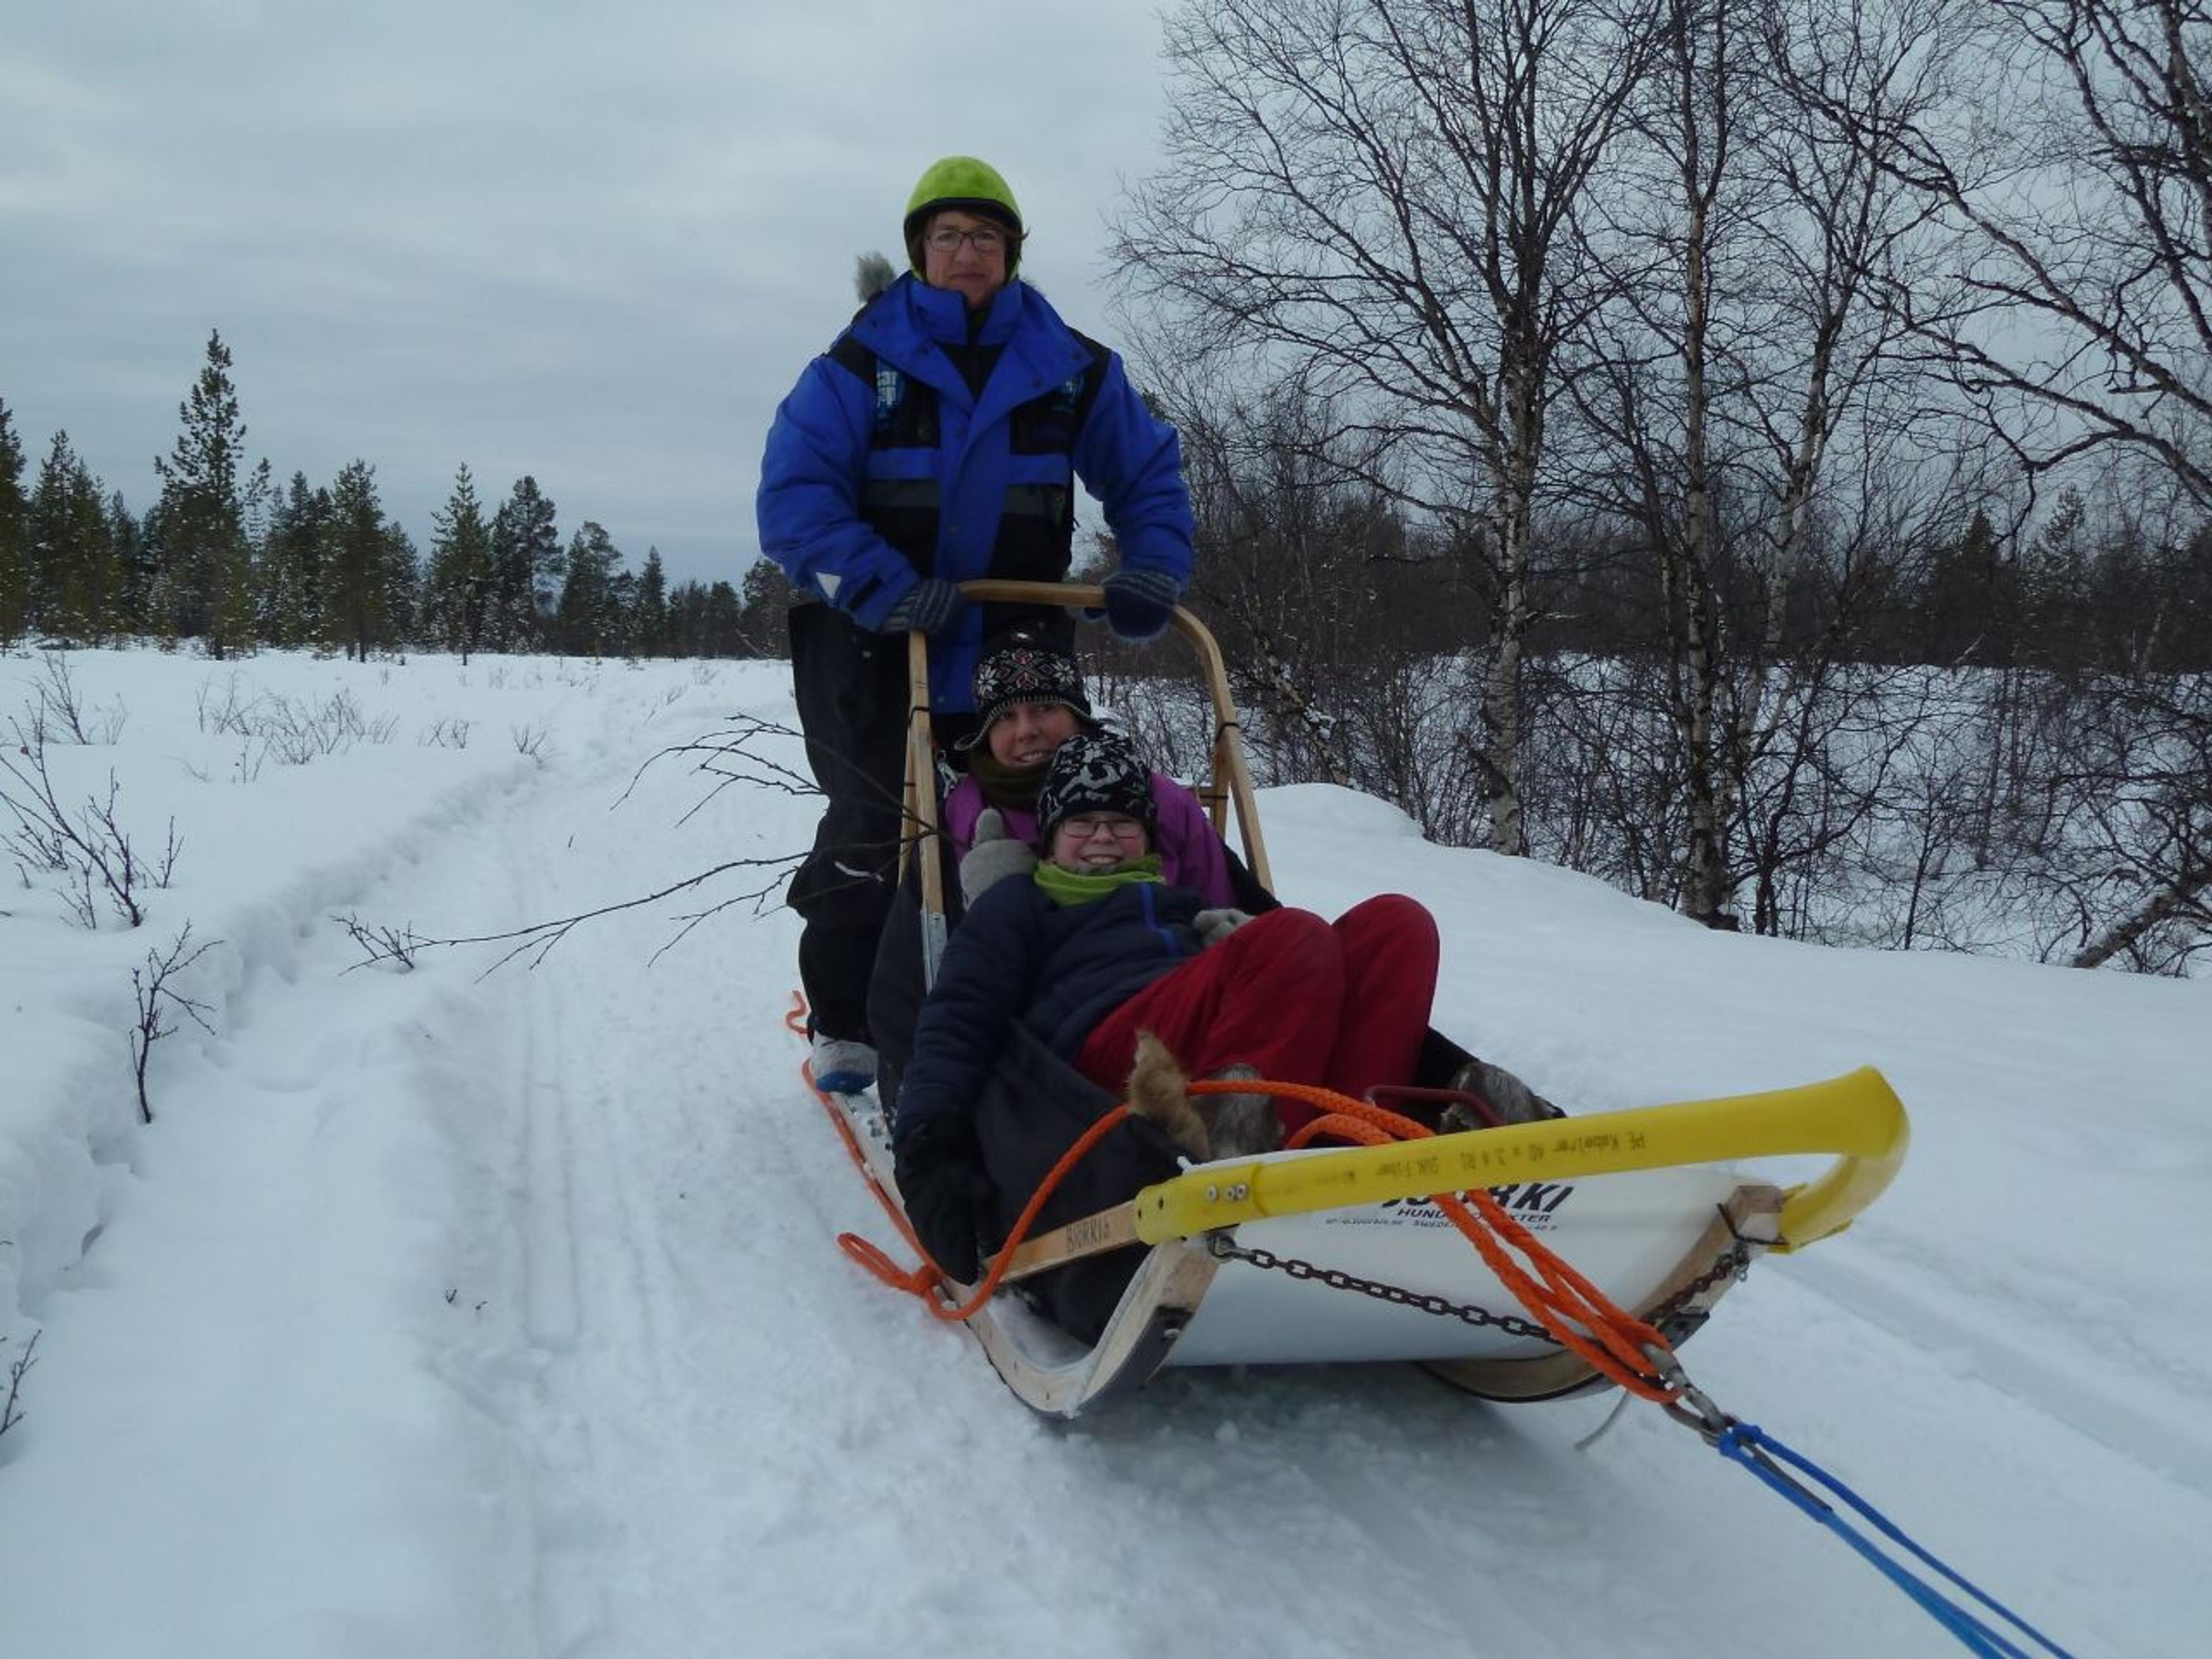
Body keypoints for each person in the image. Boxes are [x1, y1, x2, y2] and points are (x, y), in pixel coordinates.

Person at [758, 155, 1198, 1094]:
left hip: (1018, 639)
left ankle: (1052, 998)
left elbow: (1146, 470)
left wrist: (1154, 564)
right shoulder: (860, 365)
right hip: (874, 636)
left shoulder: (1068, 367)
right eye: (949, 236)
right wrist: (881, 584)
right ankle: (849, 1015)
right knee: (880, 826)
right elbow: (796, 500)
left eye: (986, 236)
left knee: (1038, 815)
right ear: (921, 250)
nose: (968, 252)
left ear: (1012, 252)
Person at [889, 732, 1457, 1333]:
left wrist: (1234, 946)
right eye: (1081, 823)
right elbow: (957, 1017)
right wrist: (928, 1145)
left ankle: (1359, 1154)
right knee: (1295, 935)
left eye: (1122, 823)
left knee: (1397, 924)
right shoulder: (1019, 904)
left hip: (1204, 1054)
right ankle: (1243, 1170)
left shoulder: (1181, 906)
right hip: (1103, 1065)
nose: (1103, 838)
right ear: (1050, 837)